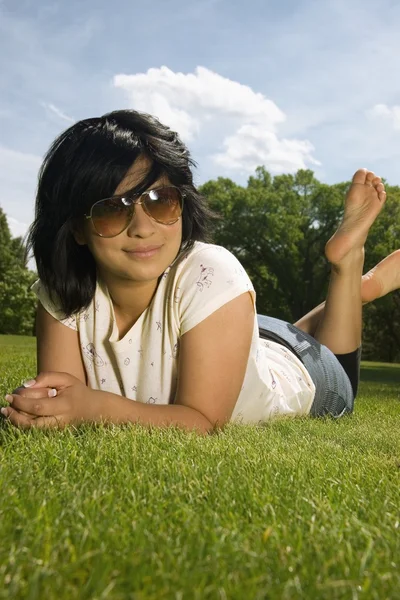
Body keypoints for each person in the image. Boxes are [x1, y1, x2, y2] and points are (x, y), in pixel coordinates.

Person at [1, 110, 398, 434]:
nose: (142, 227)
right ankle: (353, 292)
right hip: (228, 326)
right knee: (275, 335)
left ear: (182, 202)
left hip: (299, 372)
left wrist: (94, 408)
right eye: (112, 208)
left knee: (333, 365)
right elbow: (58, 405)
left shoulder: (212, 273)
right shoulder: (60, 295)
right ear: (76, 228)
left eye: (160, 200)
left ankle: (349, 269)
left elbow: (204, 421)